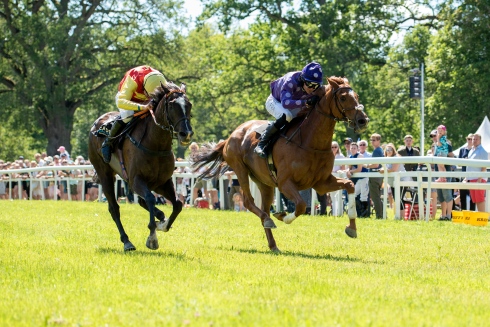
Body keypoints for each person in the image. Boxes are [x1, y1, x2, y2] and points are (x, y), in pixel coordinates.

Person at [254, 62, 324, 158]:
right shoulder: (291, 81)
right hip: (275, 101)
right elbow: (286, 103)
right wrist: (306, 102)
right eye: (309, 84)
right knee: (287, 115)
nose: (312, 88)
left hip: (294, 104)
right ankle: (261, 144)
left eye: (315, 85)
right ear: (302, 79)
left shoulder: (315, 87)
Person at [101, 65, 168, 163]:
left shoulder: (161, 80)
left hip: (147, 100)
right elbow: (121, 101)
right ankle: (108, 142)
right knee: (127, 115)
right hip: (126, 98)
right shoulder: (133, 78)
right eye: (147, 93)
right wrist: (142, 107)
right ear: (144, 86)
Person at [379, 143, 412, 213]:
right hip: (394, 182)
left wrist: (383, 170)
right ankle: (399, 216)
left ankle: (402, 216)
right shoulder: (386, 159)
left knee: (399, 198)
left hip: (402, 180)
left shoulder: (396, 157)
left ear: (393, 150)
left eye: (391, 149)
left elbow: (394, 169)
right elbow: (385, 168)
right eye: (387, 150)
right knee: (396, 198)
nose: (389, 151)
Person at [463, 133, 488, 213]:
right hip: (471, 178)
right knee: (475, 199)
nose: (474, 141)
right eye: (473, 139)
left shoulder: (482, 151)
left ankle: (482, 217)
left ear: (480, 140)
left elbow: (484, 166)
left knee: (480, 198)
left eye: (476, 139)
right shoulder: (471, 150)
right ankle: (479, 217)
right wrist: (466, 178)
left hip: (478, 178)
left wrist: (480, 178)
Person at [345, 142, 370, 217]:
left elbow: (359, 169)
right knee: (354, 194)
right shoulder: (350, 157)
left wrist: (350, 171)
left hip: (364, 177)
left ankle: (364, 213)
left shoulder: (360, 156)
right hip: (359, 179)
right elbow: (349, 168)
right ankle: (359, 211)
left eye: (354, 148)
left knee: (363, 196)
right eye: (351, 148)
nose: (353, 149)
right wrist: (348, 171)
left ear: (357, 149)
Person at [367, 133, 384, 218]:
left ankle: (379, 215)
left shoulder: (377, 150)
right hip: (379, 176)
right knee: (377, 197)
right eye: (371, 140)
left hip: (375, 175)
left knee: (375, 197)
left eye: (374, 140)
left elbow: (375, 165)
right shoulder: (380, 150)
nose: (372, 142)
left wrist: (366, 165)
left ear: (378, 141)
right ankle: (382, 214)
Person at [458, 133, 476, 211]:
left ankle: (472, 212)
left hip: (472, 175)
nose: (470, 141)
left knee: (472, 195)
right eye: (468, 139)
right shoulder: (462, 149)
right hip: (463, 174)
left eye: (471, 139)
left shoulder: (475, 150)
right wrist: (464, 160)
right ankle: (463, 211)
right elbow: (458, 163)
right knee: (462, 195)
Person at [330, 141, 345, 216]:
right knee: (332, 195)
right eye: (332, 147)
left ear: (338, 148)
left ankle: (339, 212)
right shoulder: (328, 155)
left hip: (338, 176)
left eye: (335, 147)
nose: (334, 148)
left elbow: (343, 168)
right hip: (330, 176)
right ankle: (335, 213)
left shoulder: (341, 156)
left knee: (338, 195)